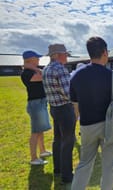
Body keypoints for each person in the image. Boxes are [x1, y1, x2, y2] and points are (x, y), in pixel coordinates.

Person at [70, 36, 113, 190]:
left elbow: (75, 105)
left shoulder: (76, 76)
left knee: (84, 164)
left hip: (87, 126)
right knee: (109, 166)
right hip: (109, 126)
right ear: (104, 52)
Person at [42, 44, 76, 184]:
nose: (66, 56)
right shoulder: (60, 69)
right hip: (64, 108)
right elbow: (68, 93)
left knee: (58, 139)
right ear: (57, 55)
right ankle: (67, 175)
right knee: (68, 141)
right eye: (65, 54)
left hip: (54, 107)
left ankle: (58, 169)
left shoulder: (46, 69)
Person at [20, 50, 52, 165]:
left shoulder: (31, 70)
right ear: (30, 60)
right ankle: (34, 158)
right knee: (35, 131)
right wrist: (33, 68)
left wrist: (34, 67)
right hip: (35, 103)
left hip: (40, 102)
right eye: (36, 58)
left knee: (40, 130)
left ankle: (42, 151)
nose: (38, 60)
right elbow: (43, 76)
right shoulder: (26, 73)